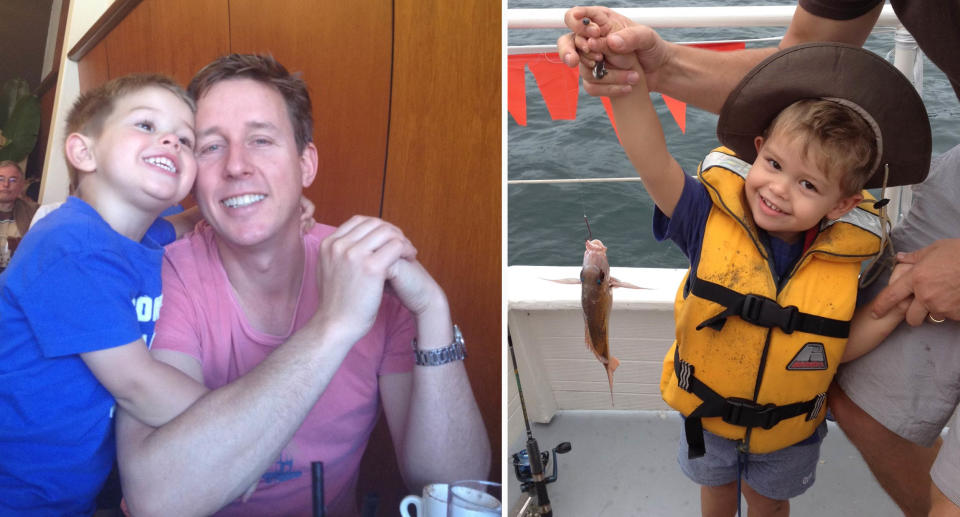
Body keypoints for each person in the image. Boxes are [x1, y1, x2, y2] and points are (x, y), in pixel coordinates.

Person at [557, 2, 960, 515]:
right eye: (772, 164)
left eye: (808, 184)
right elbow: (651, 160)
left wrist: (893, 310)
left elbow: (838, 341)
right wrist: (628, 83)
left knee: (770, 505)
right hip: (707, 414)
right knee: (716, 498)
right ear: (757, 147)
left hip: (788, 433)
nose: (778, 190)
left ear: (842, 205)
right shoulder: (705, 215)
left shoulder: (849, 255)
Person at [115, 54, 491, 517]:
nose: (236, 165)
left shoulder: (367, 269)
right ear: (192, 174)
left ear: (305, 163)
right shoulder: (165, 275)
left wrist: (433, 311)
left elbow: (451, 486)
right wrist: (333, 326)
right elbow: (158, 499)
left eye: (261, 140)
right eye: (212, 147)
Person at [0, 74, 211, 515]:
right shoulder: (70, 244)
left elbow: (185, 223)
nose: (172, 142)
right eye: (147, 126)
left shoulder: (136, 238)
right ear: (84, 152)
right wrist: (242, 425)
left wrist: (235, 201)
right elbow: (138, 385)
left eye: (187, 140)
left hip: (67, 492)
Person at [0, 160, 38, 251]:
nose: (6, 184)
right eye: (1, 179)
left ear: (21, 185)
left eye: (12, 180)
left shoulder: (33, 212)